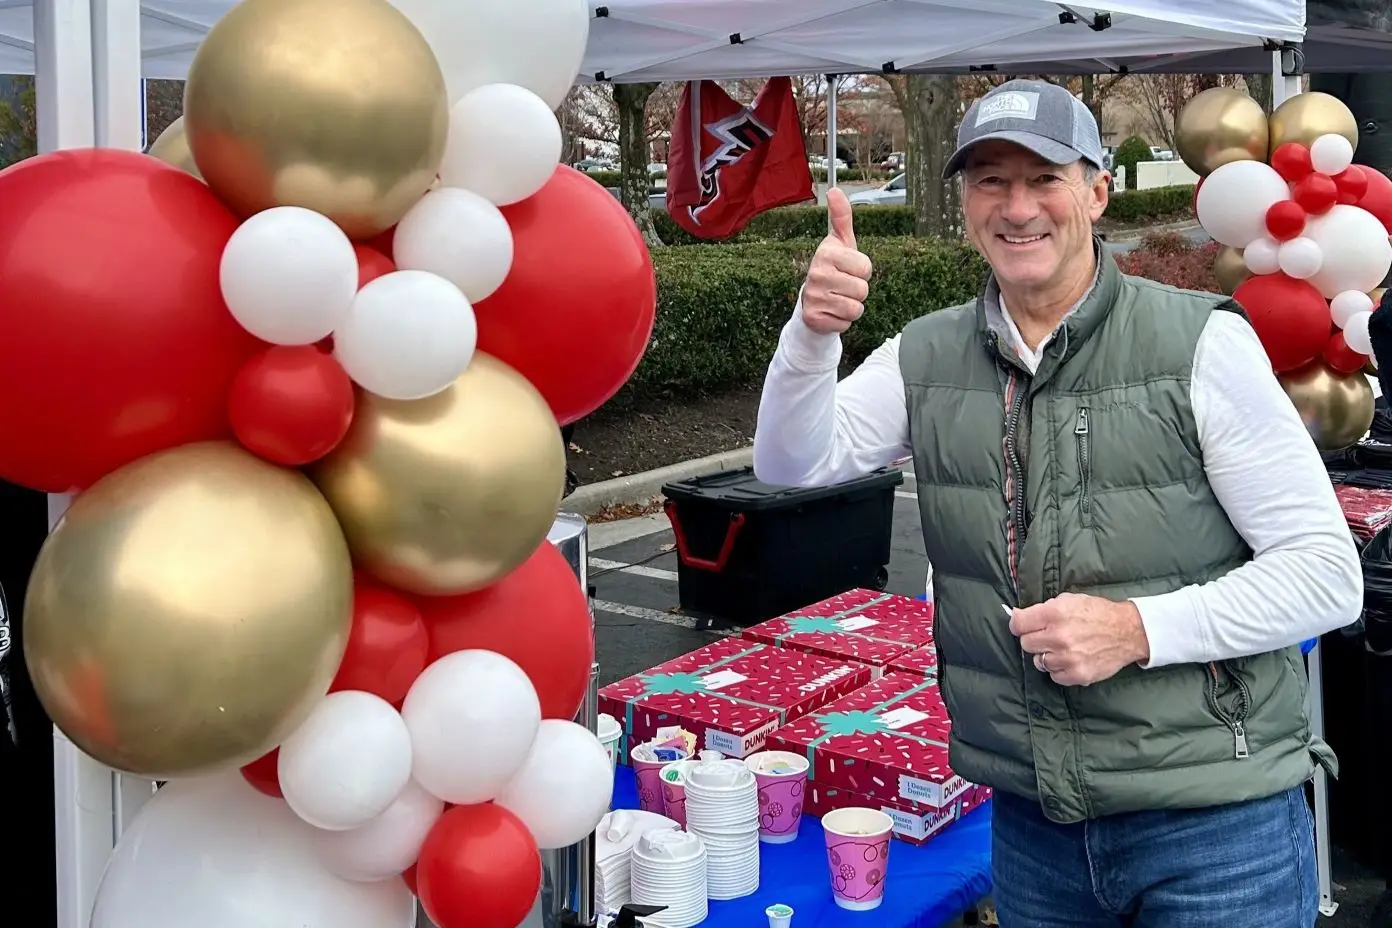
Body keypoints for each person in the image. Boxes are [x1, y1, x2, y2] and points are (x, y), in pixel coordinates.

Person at [753, 78, 1363, 926]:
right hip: (1033, 825)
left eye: (1045, 177)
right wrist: (811, 337)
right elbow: (793, 463)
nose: (1018, 206)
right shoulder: (925, 354)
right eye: (990, 180)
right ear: (963, 202)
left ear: (1097, 191)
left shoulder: (1199, 343)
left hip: (1214, 825)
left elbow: (1328, 576)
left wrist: (1139, 630)